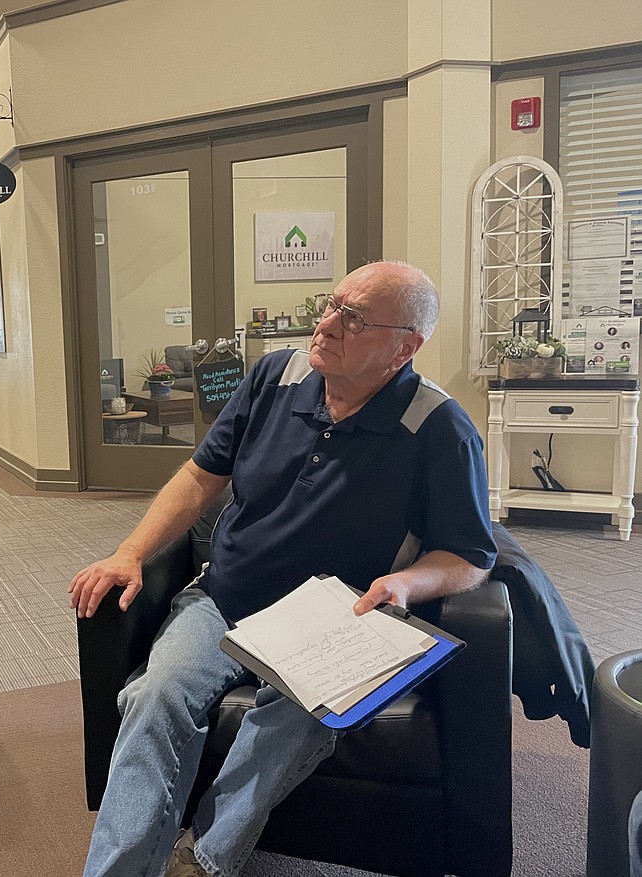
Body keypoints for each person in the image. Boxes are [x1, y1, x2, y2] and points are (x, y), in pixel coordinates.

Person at [70, 262, 497, 877]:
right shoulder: (276, 375)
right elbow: (199, 477)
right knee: (155, 695)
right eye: (331, 305)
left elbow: (468, 556)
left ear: (405, 347)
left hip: (338, 622)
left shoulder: (438, 427)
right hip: (227, 596)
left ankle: (206, 861)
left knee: (294, 718)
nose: (325, 325)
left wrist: (407, 582)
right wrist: (130, 550)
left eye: (353, 319)